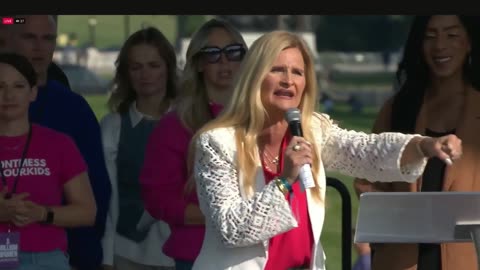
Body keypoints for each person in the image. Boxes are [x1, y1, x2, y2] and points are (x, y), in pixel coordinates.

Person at [188, 30, 463, 270]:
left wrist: (423, 145)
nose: (288, 80)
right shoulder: (216, 142)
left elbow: (366, 151)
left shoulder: (313, 130)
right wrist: (285, 180)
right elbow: (231, 229)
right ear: (254, 77)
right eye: (277, 70)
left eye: (297, 72)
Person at [354, 15, 480, 270]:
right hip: (400, 260)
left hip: (467, 259)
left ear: (469, 43)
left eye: (452, 35)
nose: (440, 46)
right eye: (430, 36)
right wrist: (398, 211)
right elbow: (365, 181)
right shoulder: (398, 109)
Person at [139, 18, 247, 270]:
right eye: (212, 54)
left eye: (233, 52)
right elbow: (158, 199)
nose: (224, 61)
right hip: (198, 254)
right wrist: (225, 219)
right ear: (198, 63)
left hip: (258, 253)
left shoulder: (263, 119)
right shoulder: (174, 126)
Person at [5, 15, 111, 270]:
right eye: (29, 37)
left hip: (59, 254)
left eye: (48, 38)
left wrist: (86, 256)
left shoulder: (73, 109)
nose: (39, 47)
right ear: (9, 39)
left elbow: (97, 192)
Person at [100, 27, 177, 270]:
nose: (146, 75)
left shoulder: (189, 122)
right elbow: (108, 196)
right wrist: (107, 257)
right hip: (128, 252)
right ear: (126, 74)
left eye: (154, 65)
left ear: (168, 68)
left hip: (182, 252)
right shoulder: (113, 126)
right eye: (136, 67)